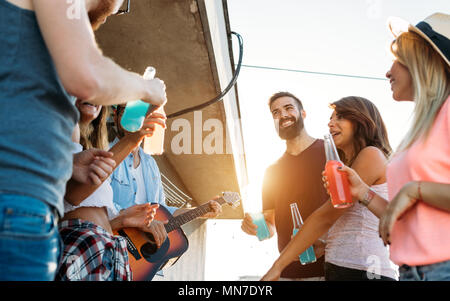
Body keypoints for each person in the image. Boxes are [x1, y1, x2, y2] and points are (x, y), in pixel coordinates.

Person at [0, 0, 165, 280]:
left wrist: (67, 163)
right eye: (122, 4)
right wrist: (147, 87)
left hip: (35, 212)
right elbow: (87, 76)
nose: (115, 11)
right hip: (19, 208)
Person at [331, 13, 450, 281]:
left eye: (397, 61)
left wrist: (414, 190)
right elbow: (403, 216)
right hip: (410, 272)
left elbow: (412, 196)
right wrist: (363, 191)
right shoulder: (419, 129)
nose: (387, 71)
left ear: (420, 62)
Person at [261, 96, 399, 281]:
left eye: (339, 117)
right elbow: (348, 218)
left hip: (363, 271)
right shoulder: (348, 165)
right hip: (339, 269)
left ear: (361, 120)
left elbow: (326, 216)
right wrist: (325, 242)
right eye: (331, 118)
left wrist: (277, 266)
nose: (330, 123)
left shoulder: (371, 155)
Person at [109, 105, 223, 261]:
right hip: (108, 248)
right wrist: (135, 222)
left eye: (141, 113)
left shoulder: (150, 164)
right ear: (115, 116)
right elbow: (97, 207)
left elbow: (164, 212)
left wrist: (201, 210)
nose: (135, 118)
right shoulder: (105, 155)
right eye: (127, 112)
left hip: (138, 261)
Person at [241, 92, 328, 281]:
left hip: (328, 268)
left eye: (288, 108)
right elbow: (270, 224)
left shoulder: (329, 152)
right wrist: (256, 227)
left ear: (303, 113)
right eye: (276, 112)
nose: (282, 115)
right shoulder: (272, 171)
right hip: (287, 272)